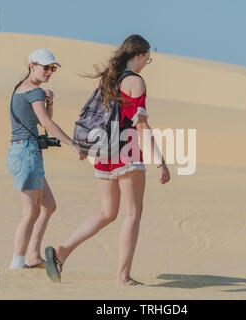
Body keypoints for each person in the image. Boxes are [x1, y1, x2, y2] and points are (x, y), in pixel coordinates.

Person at [44, 35, 171, 286]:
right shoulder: (135, 81)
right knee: (132, 214)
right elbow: (142, 124)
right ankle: (123, 277)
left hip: (103, 153)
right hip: (127, 152)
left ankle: (63, 251)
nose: (147, 62)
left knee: (106, 212)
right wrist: (160, 161)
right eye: (148, 58)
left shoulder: (107, 78)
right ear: (139, 56)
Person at [7, 48, 86, 269]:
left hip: (24, 152)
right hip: (26, 153)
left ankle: (32, 256)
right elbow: (47, 124)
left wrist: (50, 104)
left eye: (53, 68)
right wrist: (72, 144)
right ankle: (17, 263)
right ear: (32, 65)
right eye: (46, 67)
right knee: (30, 211)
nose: (50, 72)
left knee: (48, 206)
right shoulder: (33, 92)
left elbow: (43, 119)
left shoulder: (22, 89)